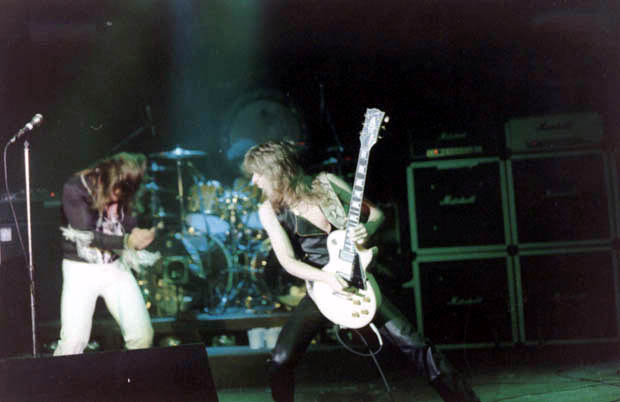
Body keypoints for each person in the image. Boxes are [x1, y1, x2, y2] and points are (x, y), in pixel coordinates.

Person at [243, 141, 481, 402]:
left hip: (359, 278)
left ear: (277, 170)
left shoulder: (327, 184)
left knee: (415, 345)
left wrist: (366, 229)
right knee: (280, 360)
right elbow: (288, 261)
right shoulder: (269, 210)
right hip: (322, 286)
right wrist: (327, 278)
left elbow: (376, 214)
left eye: (258, 173)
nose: (254, 180)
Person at [54, 152, 156, 356]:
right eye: (118, 192)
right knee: (73, 343)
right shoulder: (76, 187)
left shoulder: (124, 188)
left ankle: (134, 376)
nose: (118, 198)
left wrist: (138, 234)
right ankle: (55, 377)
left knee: (142, 336)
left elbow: (127, 223)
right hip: (81, 269)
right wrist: (126, 241)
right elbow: (86, 235)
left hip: (115, 267)